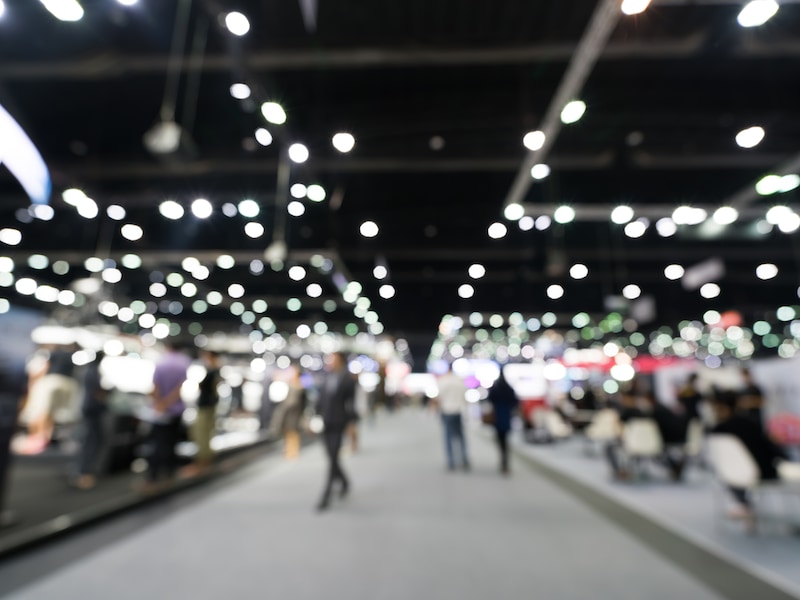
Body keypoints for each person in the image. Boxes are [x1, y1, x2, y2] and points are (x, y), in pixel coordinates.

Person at [710, 391, 789, 519]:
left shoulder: (718, 430)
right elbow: (768, 448)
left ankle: (744, 504)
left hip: (733, 473)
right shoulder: (749, 423)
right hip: (763, 471)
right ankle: (744, 505)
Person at [18, 345, 79, 454]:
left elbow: (45, 368)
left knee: (41, 411)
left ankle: (38, 439)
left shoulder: (52, 354)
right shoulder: (72, 355)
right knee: (53, 413)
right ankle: (45, 439)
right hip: (69, 384)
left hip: (51, 381)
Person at [146, 342, 191, 488]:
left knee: (157, 443)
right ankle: (169, 474)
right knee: (171, 443)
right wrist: (168, 402)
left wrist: (160, 404)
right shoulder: (183, 363)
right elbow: (179, 388)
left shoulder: (161, 362)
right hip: (176, 410)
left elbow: (156, 386)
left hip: (160, 411)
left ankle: (153, 476)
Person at [315, 352, 355, 511]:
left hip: (339, 423)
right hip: (326, 422)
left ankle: (326, 494)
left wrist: (351, 423)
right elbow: (320, 400)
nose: (331, 362)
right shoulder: (326, 378)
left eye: (334, 359)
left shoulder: (347, 379)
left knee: (333, 458)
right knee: (331, 455)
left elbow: (351, 403)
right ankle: (344, 481)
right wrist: (315, 417)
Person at [74, 351, 107, 490]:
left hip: (89, 409)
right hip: (92, 410)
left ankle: (84, 471)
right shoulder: (93, 372)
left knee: (91, 441)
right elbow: (96, 392)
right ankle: (84, 473)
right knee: (90, 441)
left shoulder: (88, 370)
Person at [186, 350, 221, 476]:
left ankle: (203, 462)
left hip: (206, 407)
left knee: (202, 433)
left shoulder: (213, 371)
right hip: (208, 406)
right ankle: (205, 460)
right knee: (204, 433)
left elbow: (211, 388)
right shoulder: (214, 371)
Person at [434, 364, 470, 472]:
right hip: (458, 411)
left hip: (447, 411)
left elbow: (439, 397)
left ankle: (451, 461)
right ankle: (464, 459)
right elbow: (464, 398)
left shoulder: (443, 381)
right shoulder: (459, 381)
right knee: (460, 436)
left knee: (448, 437)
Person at [487, 368, 519, 475]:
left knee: (500, 440)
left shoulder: (495, 388)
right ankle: (505, 462)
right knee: (506, 441)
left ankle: (502, 461)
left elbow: (490, 399)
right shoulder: (508, 388)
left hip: (497, 417)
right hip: (506, 417)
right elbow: (515, 401)